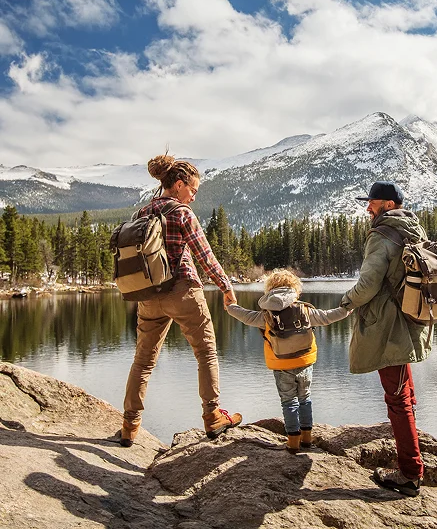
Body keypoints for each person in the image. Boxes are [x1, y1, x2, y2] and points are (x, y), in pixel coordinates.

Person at [120, 154, 242, 447]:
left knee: (143, 361)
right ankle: (213, 417)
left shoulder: (142, 212)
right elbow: (205, 255)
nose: (194, 196)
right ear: (177, 184)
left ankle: (129, 425)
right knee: (207, 353)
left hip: (149, 296)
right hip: (183, 291)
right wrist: (226, 287)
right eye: (192, 190)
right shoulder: (182, 213)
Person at [340, 181, 430, 497]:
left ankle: (409, 473)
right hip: (411, 322)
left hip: (387, 327)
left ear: (388, 205)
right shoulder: (414, 229)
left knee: (397, 398)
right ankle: (412, 447)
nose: (368, 208)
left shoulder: (381, 236)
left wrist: (346, 302)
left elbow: (367, 286)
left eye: (373, 202)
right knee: (404, 391)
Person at [225, 269, 352, 453]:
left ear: (269, 289)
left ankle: (293, 442)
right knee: (305, 398)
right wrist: (346, 310)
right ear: (295, 289)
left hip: (281, 364)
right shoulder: (305, 310)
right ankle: (307, 439)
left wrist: (231, 307)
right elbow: (327, 316)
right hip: (305, 360)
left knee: (288, 401)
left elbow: (246, 316)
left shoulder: (267, 315)